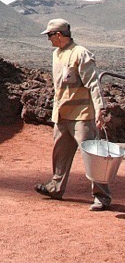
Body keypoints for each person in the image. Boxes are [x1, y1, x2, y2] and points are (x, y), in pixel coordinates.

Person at [34, 18, 111, 211]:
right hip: (62, 114)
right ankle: (56, 188)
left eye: (50, 35)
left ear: (58, 35)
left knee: (91, 155)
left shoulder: (80, 53)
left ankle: (101, 197)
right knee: (60, 152)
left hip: (82, 115)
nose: (48, 39)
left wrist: (100, 109)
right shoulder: (56, 54)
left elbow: (93, 83)